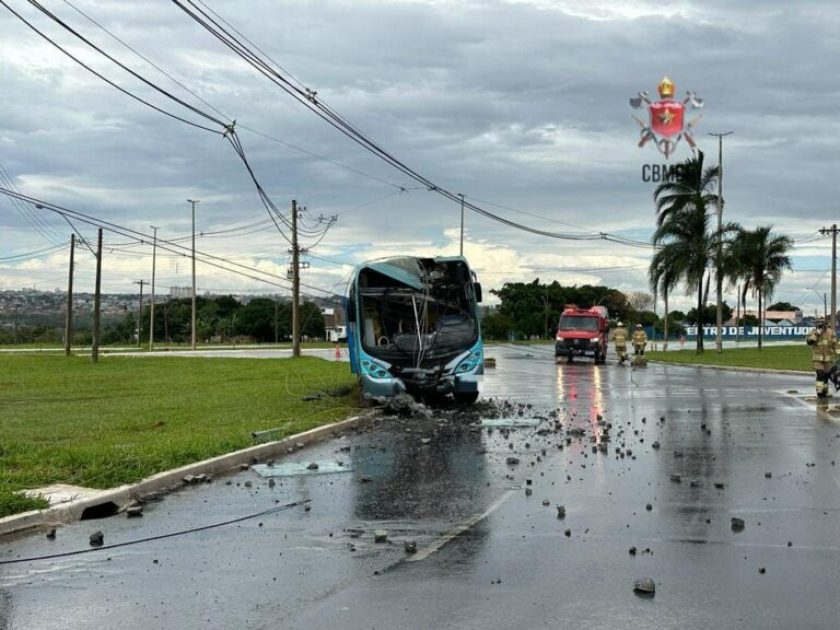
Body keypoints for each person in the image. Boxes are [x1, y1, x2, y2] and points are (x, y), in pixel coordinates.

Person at [806, 317, 838, 399]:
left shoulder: (831, 332)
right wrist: (817, 334)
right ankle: (819, 392)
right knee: (820, 374)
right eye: (818, 324)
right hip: (817, 359)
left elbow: (835, 344)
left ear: (825, 324)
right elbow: (809, 342)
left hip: (828, 359)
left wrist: (838, 351)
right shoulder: (813, 332)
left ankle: (825, 391)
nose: (820, 326)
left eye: (821, 324)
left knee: (826, 376)